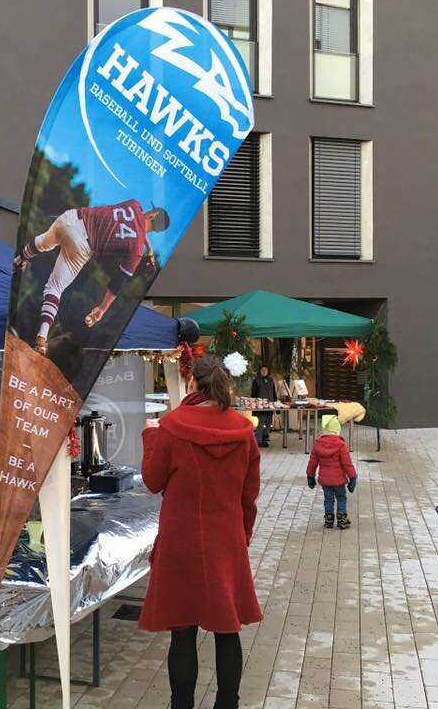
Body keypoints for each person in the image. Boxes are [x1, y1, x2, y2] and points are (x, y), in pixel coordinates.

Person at [139, 355, 262, 709]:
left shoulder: (171, 426)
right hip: (226, 539)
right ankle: (227, 703)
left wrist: (150, 434)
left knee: (183, 631)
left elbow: (152, 481)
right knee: (227, 628)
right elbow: (249, 494)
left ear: (192, 383)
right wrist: (243, 535)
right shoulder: (243, 431)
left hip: (182, 541)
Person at [13, 199, 170, 352]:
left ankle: (19, 260)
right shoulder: (136, 251)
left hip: (73, 219)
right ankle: (41, 338)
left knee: (44, 242)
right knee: (54, 288)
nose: (148, 211)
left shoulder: (134, 204)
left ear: (153, 214)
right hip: (81, 247)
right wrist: (102, 308)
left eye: (151, 210)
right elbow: (118, 282)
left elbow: (135, 222)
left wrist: (148, 247)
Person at [306, 415, 357, 530]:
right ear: (337, 430)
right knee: (341, 497)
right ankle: (341, 518)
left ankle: (328, 519)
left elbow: (312, 463)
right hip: (339, 480)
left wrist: (310, 476)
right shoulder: (341, 445)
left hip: (325, 480)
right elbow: (347, 463)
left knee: (328, 499)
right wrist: (353, 477)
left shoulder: (318, 444)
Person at [250, 364, 276, 447]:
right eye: (262, 370)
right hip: (260, 405)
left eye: (266, 370)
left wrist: (275, 402)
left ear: (268, 371)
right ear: (260, 371)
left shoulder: (271, 380)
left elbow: (274, 392)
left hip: (270, 405)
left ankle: (265, 435)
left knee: (269, 421)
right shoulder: (256, 381)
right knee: (261, 421)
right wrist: (255, 404)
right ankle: (258, 440)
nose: (264, 372)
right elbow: (253, 394)